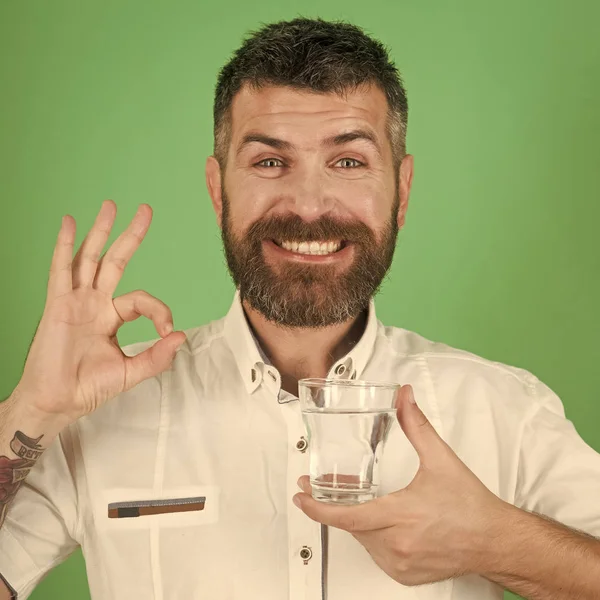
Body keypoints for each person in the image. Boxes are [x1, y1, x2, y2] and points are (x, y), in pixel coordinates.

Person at [0, 17, 599, 600]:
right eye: (268, 161)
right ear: (217, 191)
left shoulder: (502, 410)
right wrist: (32, 407)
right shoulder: (92, 415)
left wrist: (493, 541)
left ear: (403, 190)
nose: (310, 206)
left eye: (348, 162)